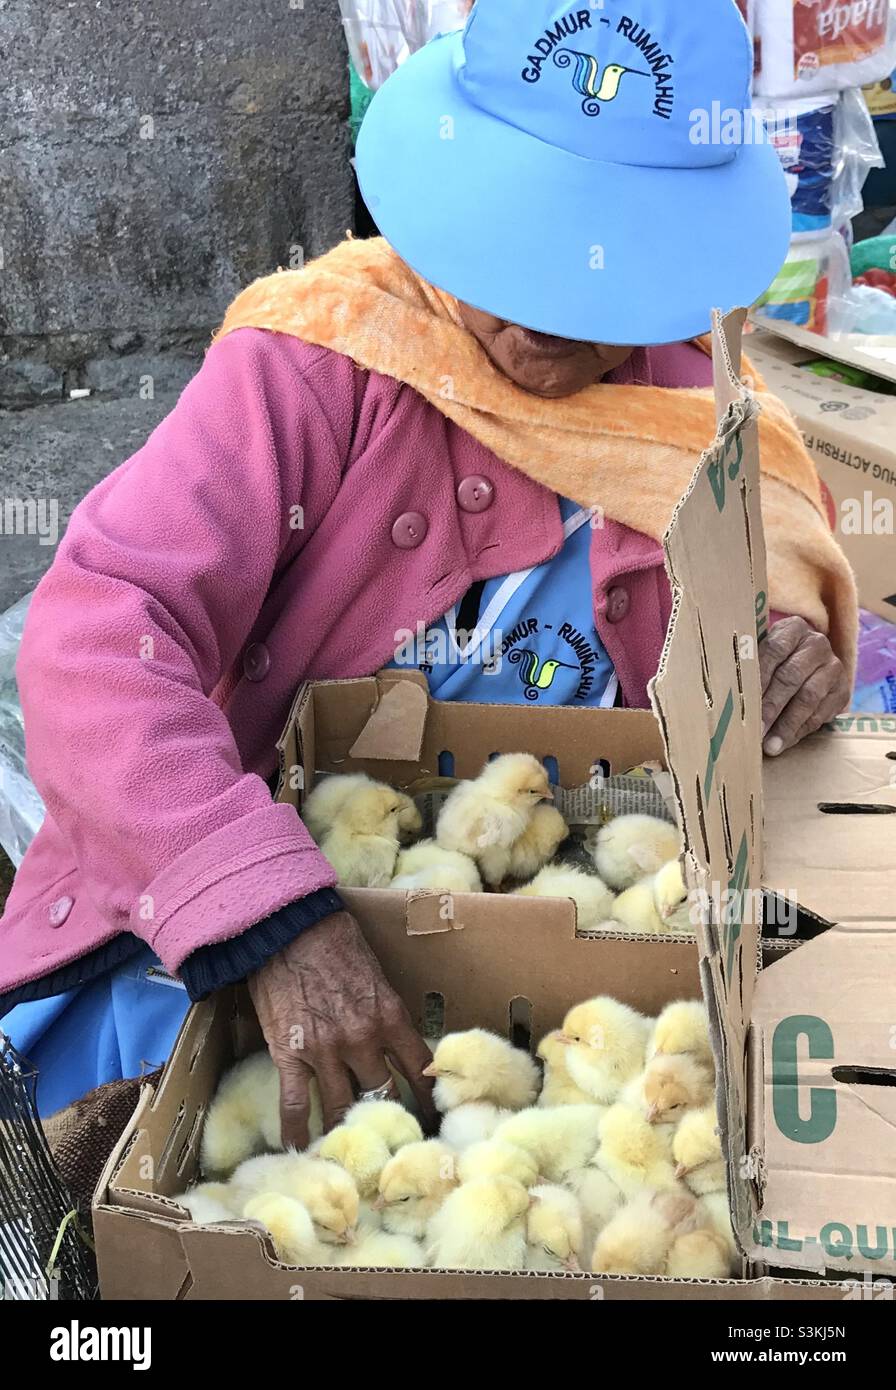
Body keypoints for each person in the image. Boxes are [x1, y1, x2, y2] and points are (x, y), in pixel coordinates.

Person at [0, 0, 855, 1144]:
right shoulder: (319, 361)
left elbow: (760, 673)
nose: (549, 321)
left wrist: (790, 668)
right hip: (244, 904)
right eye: (521, 249)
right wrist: (269, 916)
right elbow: (99, 633)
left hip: (559, 951)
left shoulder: (695, 420)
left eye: (597, 269)